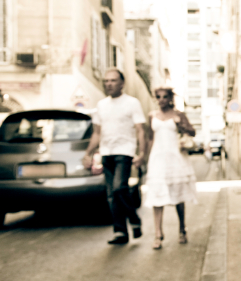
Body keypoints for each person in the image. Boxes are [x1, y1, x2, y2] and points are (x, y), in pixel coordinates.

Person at [83, 68, 146, 245]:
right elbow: (96, 133)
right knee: (112, 195)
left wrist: (141, 153)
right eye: (106, 81)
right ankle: (120, 232)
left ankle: (134, 219)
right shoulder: (101, 105)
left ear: (122, 83)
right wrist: (88, 153)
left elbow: (140, 129)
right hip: (106, 153)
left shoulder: (132, 103)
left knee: (119, 188)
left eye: (112, 80)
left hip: (124, 152)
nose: (108, 84)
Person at [142, 87, 197, 249]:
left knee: (178, 197)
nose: (161, 100)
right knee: (157, 195)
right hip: (157, 158)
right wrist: (146, 158)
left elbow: (192, 132)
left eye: (165, 97)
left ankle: (182, 229)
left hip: (176, 158)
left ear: (170, 98)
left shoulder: (178, 115)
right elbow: (150, 139)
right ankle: (158, 234)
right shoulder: (152, 115)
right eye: (158, 97)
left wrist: (182, 125)